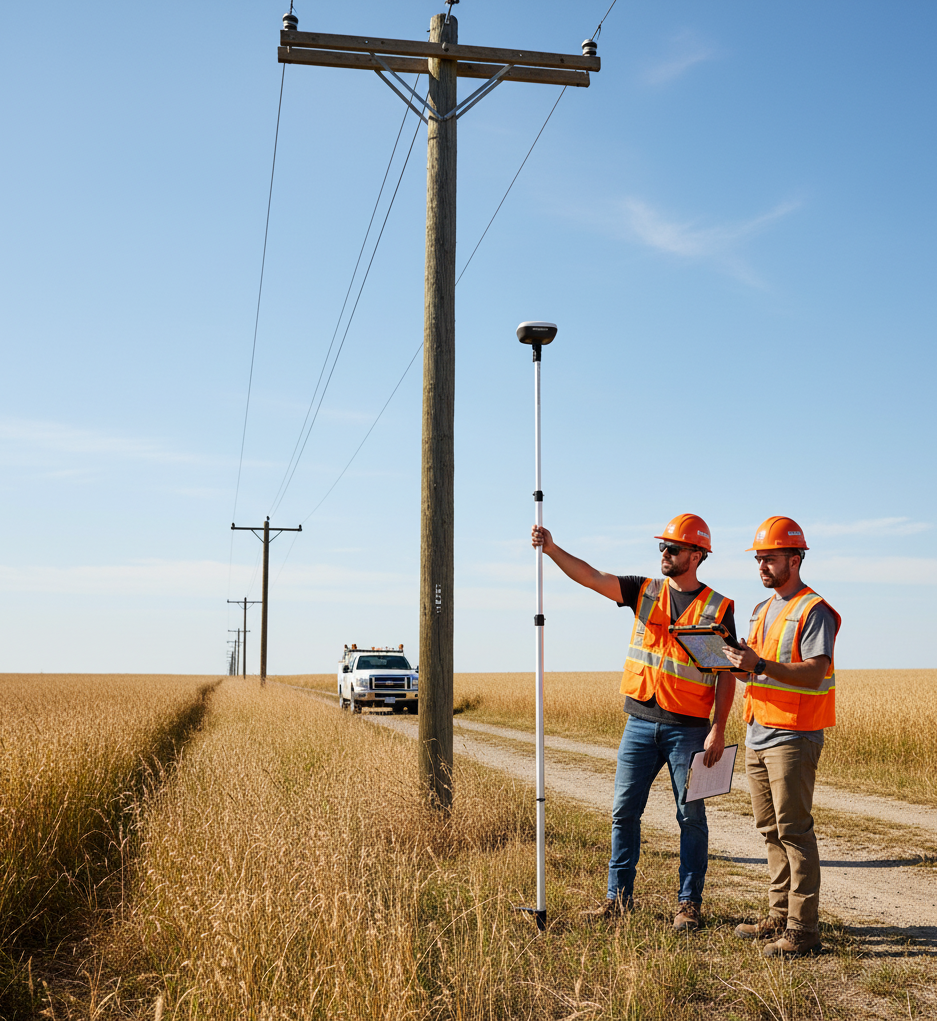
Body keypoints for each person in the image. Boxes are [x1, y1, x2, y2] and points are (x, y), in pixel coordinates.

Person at [531, 513, 736, 930]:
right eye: (662, 547)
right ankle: (617, 900)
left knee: (690, 817)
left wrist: (719, 728)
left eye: (673, 548)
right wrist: (552, 549)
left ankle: (688, 905)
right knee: (624, 813)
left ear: (697, 555)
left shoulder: (719, 607)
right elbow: (591, 577)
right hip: (640, 723)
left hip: (690, 729)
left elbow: (727, 675)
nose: (665, 553)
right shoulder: (644, 590)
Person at [724, 516, 841, 958]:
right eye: (759, 559)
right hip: (758, 731)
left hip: (794, 735)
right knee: (770, 829)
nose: (763, 566)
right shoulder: (761, 609)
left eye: (770, 558)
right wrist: (732, 660)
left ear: (795, 558)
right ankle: (777, 914)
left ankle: (803, 929)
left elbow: (814, 672)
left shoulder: (814, 610)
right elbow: (755, 667)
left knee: (795, 830)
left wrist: (758, 666)